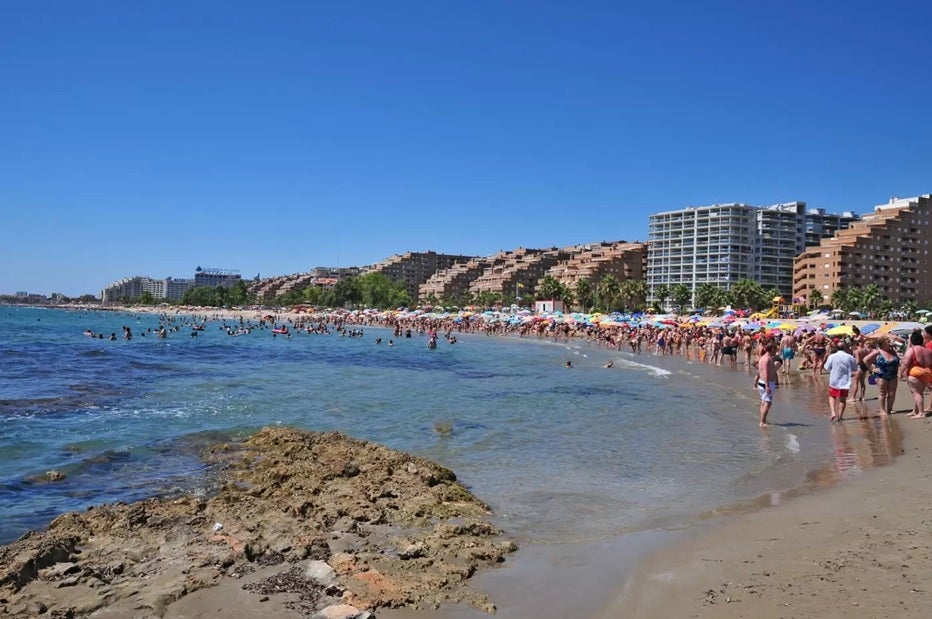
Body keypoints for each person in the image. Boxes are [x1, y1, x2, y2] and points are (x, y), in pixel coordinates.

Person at [900, 330, 932, 419]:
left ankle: (921, 413)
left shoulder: (912, 349)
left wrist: (900, 373)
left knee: (917, 393)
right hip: (926, 372)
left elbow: (905, 362)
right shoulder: (928, 350)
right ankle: (916, 410)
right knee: (919, 393)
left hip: (915, 372)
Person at [863, 337, 900, 416]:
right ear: (883, 343)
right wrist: (872, 368)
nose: (890, 342)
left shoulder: (892, 351)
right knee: (882, 393)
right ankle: (882, 410)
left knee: (892, 393)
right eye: (888, 341)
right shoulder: (878, 352)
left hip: (893, 375)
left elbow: (898, 360)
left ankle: (889, 409)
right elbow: (865, 359)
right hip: (882, 375)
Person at [755, 342, 778, 427]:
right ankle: (762, 422)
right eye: (775, 349)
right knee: (767, 403)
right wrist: (767, 385)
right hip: (766, 383)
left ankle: (763, 420)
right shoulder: (766, 359)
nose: (776, 351)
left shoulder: (765, 357)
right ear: (772, 349)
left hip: (763, 382)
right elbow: (765, 372)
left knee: (764, 402)